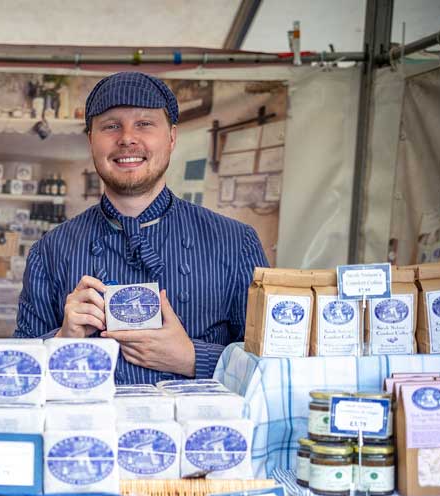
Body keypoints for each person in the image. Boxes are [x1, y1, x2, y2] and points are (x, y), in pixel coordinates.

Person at [16, 71, 269, 382]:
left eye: (144, 124)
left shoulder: (236, 242)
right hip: (85, 430)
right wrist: (62, 341)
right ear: (91, 140)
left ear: (172, 137)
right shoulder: (49, 251)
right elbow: (19, 374)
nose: (126, 138)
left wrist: (194, 358)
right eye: (110, 126)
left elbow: (271, 369)